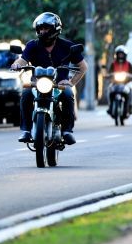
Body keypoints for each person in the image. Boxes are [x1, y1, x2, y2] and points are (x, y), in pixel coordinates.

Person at [13, 12, 87, 145]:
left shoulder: (67, 46)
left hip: (60, 85)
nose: (43, 31)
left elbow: (83, 67)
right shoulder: (32, 45)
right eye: (40, 28)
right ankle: (26, 130)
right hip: (37, 84)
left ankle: (67, 131)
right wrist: (17, 64)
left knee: (69, 94)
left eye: (46, 28)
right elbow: (23, 60)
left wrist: (70, 83)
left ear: (55, 28)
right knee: (25, 93)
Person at [107, 45, 132, 116]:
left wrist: (130, 75)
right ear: (116, 54)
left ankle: (130, 106)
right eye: (119, 54)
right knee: (109, 88)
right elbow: (110, 72)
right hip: (115, 83)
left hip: (126, 82)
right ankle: (110, 106)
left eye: (122, 54)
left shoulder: (128, 64)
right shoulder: (113, 64)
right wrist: (110, 75)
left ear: (125, 55)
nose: (120, 55)